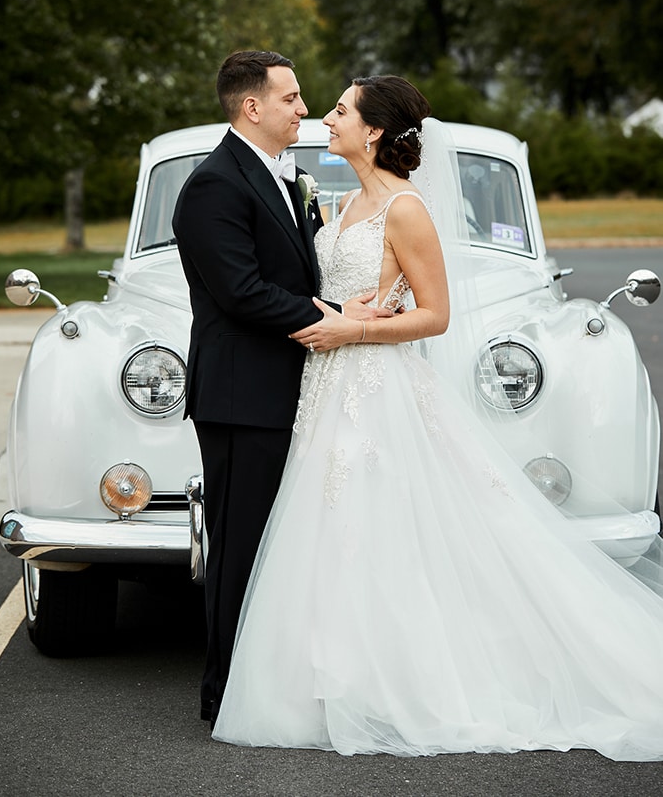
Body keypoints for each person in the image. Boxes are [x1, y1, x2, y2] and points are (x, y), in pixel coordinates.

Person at [211, 75, 663, 760]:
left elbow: (435, 315)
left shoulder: (405, 209)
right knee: (326, 534)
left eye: (338, 111)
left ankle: (397, 684)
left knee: (379, 532)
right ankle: (328, 682)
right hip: (326, 388)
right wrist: (336, 316)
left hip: (377, 387)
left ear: (371, 132)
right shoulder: (340, 204)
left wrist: (350, 333)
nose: (322, 120)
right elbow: (332, 292)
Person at [172, 51, 390, 727]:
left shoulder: (281, 175)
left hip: (290, 388)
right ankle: (225, 691)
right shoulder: (214, 185)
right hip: (242, 396)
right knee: (240, 546)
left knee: (280, 543)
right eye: (292, 98)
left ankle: (272, 680)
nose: (304, 108)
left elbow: (291, 277)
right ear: (252, 107)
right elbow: (239, 292)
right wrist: (332, 318)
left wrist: (344, 307)